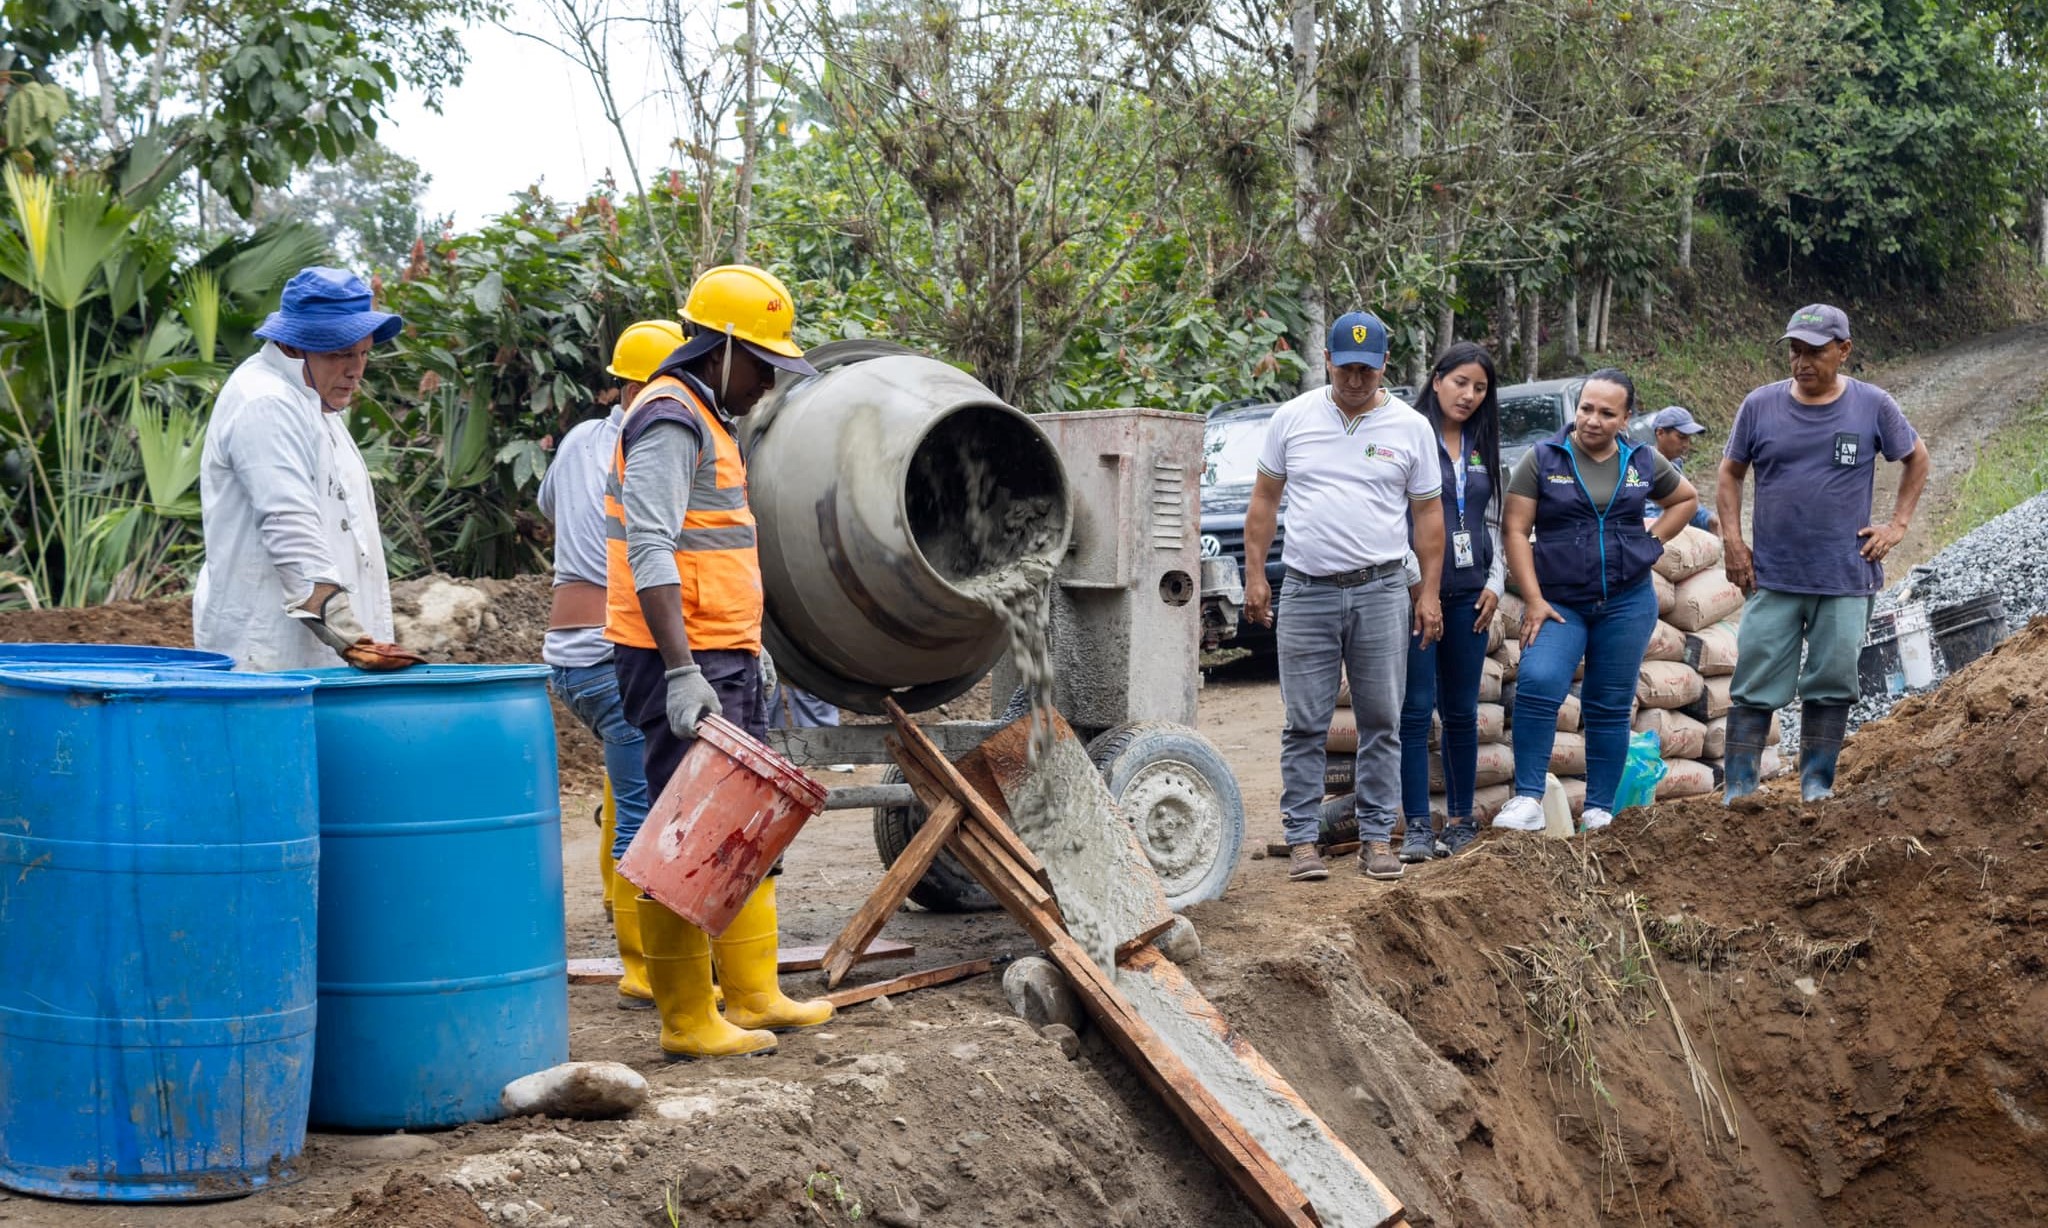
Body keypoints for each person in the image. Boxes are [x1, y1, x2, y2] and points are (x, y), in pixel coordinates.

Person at [604, 264, 832, 1059]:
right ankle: (686, 1019)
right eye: (761, 363)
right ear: (721, 348)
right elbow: (651, 545)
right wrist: (680, 670)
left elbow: (717, 548)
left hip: (718, 651)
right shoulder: (671, 418)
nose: (768, 381)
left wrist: (746, 646)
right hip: (683, 656)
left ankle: (751, 992)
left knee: (738, 823)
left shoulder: (705, 415)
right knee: (688, 832)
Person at [1244, 311, 1446, 883]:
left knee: (1381, 719)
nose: (1356, 380)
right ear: (1327, 360)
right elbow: (1264, 502)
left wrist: (1428, 593)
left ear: (1385, 366)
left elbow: (1428, 516)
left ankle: (1377, 837)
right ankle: (1303, 840)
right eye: (1346, 368)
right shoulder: (1292, 418)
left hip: (1381, 589)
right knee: (1304, 722)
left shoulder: (1410, 427)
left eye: (1368, 370)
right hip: (1306, 590)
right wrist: (1255, 575)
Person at [1718, 305, 1928, 803]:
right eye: (1795, 351)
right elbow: (1729, 473)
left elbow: (1916, 458)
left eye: (1814, 352)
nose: (1801, 362)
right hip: (1773, 575)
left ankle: (1816, 785)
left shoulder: (1872, 405)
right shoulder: (1760, 406)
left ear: (1844, 350)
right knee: (1754, 676)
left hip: (1844, 576)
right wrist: (1733, 541)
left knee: (1832, 680)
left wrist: (1897, 525)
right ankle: (1740, 788)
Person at [537, 319, 682, 1013]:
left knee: (625, 792)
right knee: (643, 810)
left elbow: (550, 507)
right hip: (610, 652)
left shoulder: (577, 440)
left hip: (566, 655)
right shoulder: (651, 447)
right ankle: (642, 967)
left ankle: (627, 930)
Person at [1497, 369, 1699, 833]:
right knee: (1539, 680)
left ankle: (1599, 809)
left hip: (1627, 603)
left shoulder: (1641, 460)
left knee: (1609, 703)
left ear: (1625, 419)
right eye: (1586, 408)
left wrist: (1650, 543)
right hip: (1560, 602)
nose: (1592, 419)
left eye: (1607, 413)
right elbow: (1515, 530)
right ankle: (1527, 798)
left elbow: (1685, 499)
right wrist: (1533, 599)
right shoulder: (1543, 457)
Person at [194, 267, 422, 672]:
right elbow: (288, 523)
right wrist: (346, 634)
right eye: (340, 353)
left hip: (317, 658)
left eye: (363, 353)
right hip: (270, 657)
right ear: (293, 345)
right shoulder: (265, 402)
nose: (356, 370)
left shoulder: (312, 400)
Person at [1398, 342, 1505, 861]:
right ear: (1436, 379)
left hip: (1470, 597)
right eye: (1460, 382)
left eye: (1480, 388)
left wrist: (1497, 583)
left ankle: (1462, 820)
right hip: (1416, 596)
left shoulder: (1483, 444)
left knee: (1461, 712)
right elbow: (1391, 518)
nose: (1468, 395)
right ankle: (1418, 825)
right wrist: (1420, 588)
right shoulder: (1409, 436)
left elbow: (1495, 520)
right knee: (1416, 710)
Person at [1647, 406, 1718, 532]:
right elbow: (1649, 517)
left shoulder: (1675, 464)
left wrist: (1709, 520)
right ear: (1660, 433)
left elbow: (1684, 503)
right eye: (1681, 437)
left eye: (1688, 438)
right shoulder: (1645, 467)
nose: (1686, 444)